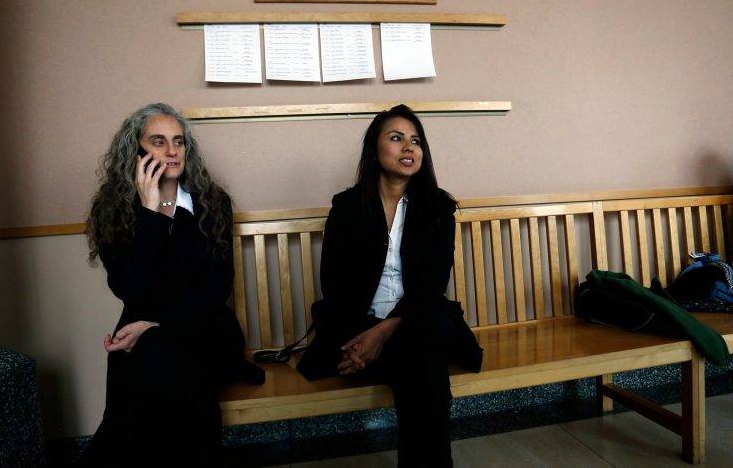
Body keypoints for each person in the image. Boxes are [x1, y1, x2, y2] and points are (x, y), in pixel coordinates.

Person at [297, 104, 482, 467]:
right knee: (423, 363)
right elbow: (335, 285)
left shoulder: (437, 207)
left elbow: (431, 285)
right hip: (362, 324)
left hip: (420, 318)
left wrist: (380, 336)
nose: (408, 148)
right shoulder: (348, 207)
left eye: (415, 141)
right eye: (396, 138)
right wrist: (360, 340)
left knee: (423, 335)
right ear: (374, 149)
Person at [83, 103, 263, 466]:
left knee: (157, 357)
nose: (171, 151)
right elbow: (130, 289)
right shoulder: (115, 209)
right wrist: (150, 214)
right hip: (143, 328)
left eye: (178, 142)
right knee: (148, 360)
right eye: (158, 141)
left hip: (207, 326)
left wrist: (157, 324)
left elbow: (217, 287)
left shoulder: (211, 203)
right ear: (136, 151)